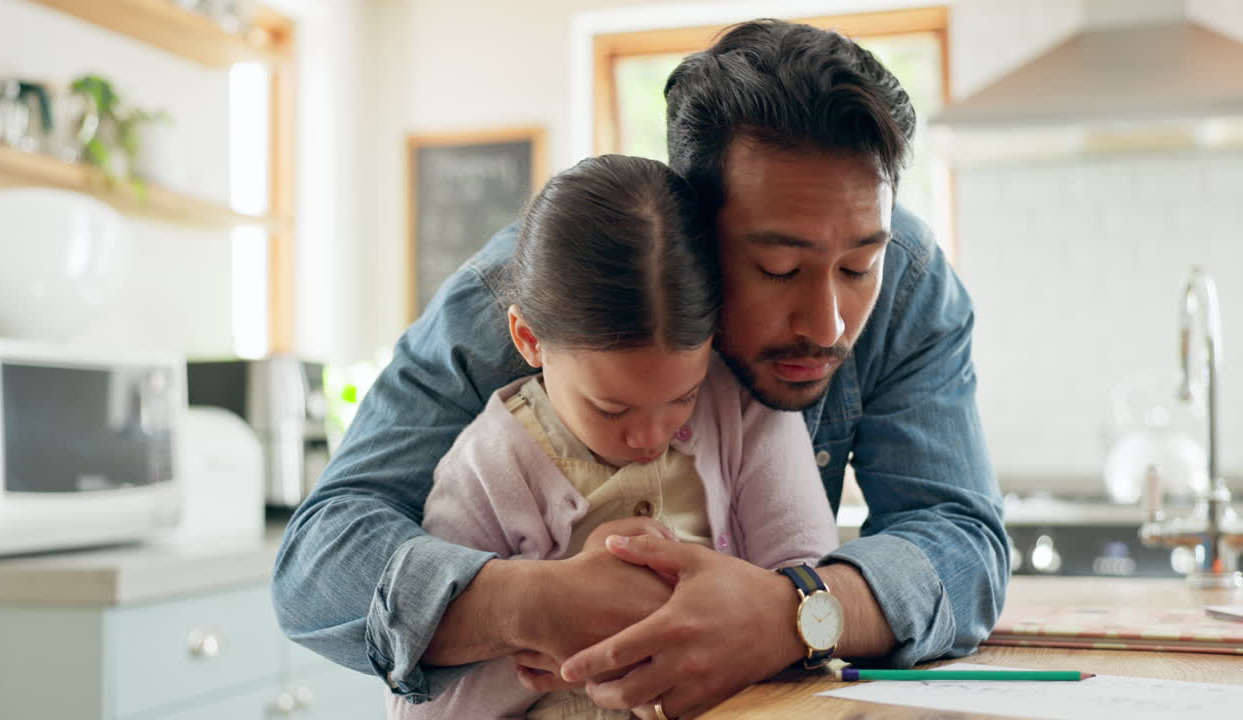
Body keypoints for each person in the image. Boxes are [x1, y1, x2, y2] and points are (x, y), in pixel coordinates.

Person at [273, 18, 1009, 720]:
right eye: (778, 268)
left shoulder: (910, 282)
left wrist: (797, 613)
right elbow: (317, 566)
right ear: (694, 236)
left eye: (857, 265)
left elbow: (963, 539)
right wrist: (535, 606)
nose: (827, 324)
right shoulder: (538, 297)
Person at [388, 153, 837, 719]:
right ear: (529, 338)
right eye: (612, 407)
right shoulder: (488, 467)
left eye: (684, 396)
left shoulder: (747, 410)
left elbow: (813, 599)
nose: (652, 436)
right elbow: (422, 707)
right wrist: (554, 630)